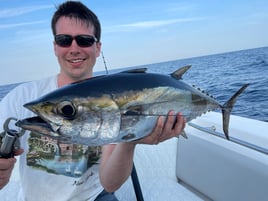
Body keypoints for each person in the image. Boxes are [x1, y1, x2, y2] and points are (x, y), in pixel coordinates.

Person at [0, 1, 186, 201]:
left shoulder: (113, 102)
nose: (74, 48)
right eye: (64, 40)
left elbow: (110, 183)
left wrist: (129, 140)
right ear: (55, 47)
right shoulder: (20, 98)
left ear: (97, 48)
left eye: (84, 40)